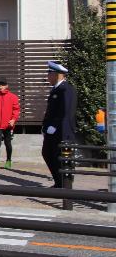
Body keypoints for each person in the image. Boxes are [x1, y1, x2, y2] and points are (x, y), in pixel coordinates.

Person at [42, 60, 77, 188]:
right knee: (47, 153)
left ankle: (64, 185)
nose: (48, 77)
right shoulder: (56, 89)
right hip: (52, 131)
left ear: (57, 74)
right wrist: (45, 126)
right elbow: (50, 111)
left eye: (49, 73)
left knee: (61, 158)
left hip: (62, 131)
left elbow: (67, 111)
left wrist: (55, 126)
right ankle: (58, 182)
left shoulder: (66, 89)